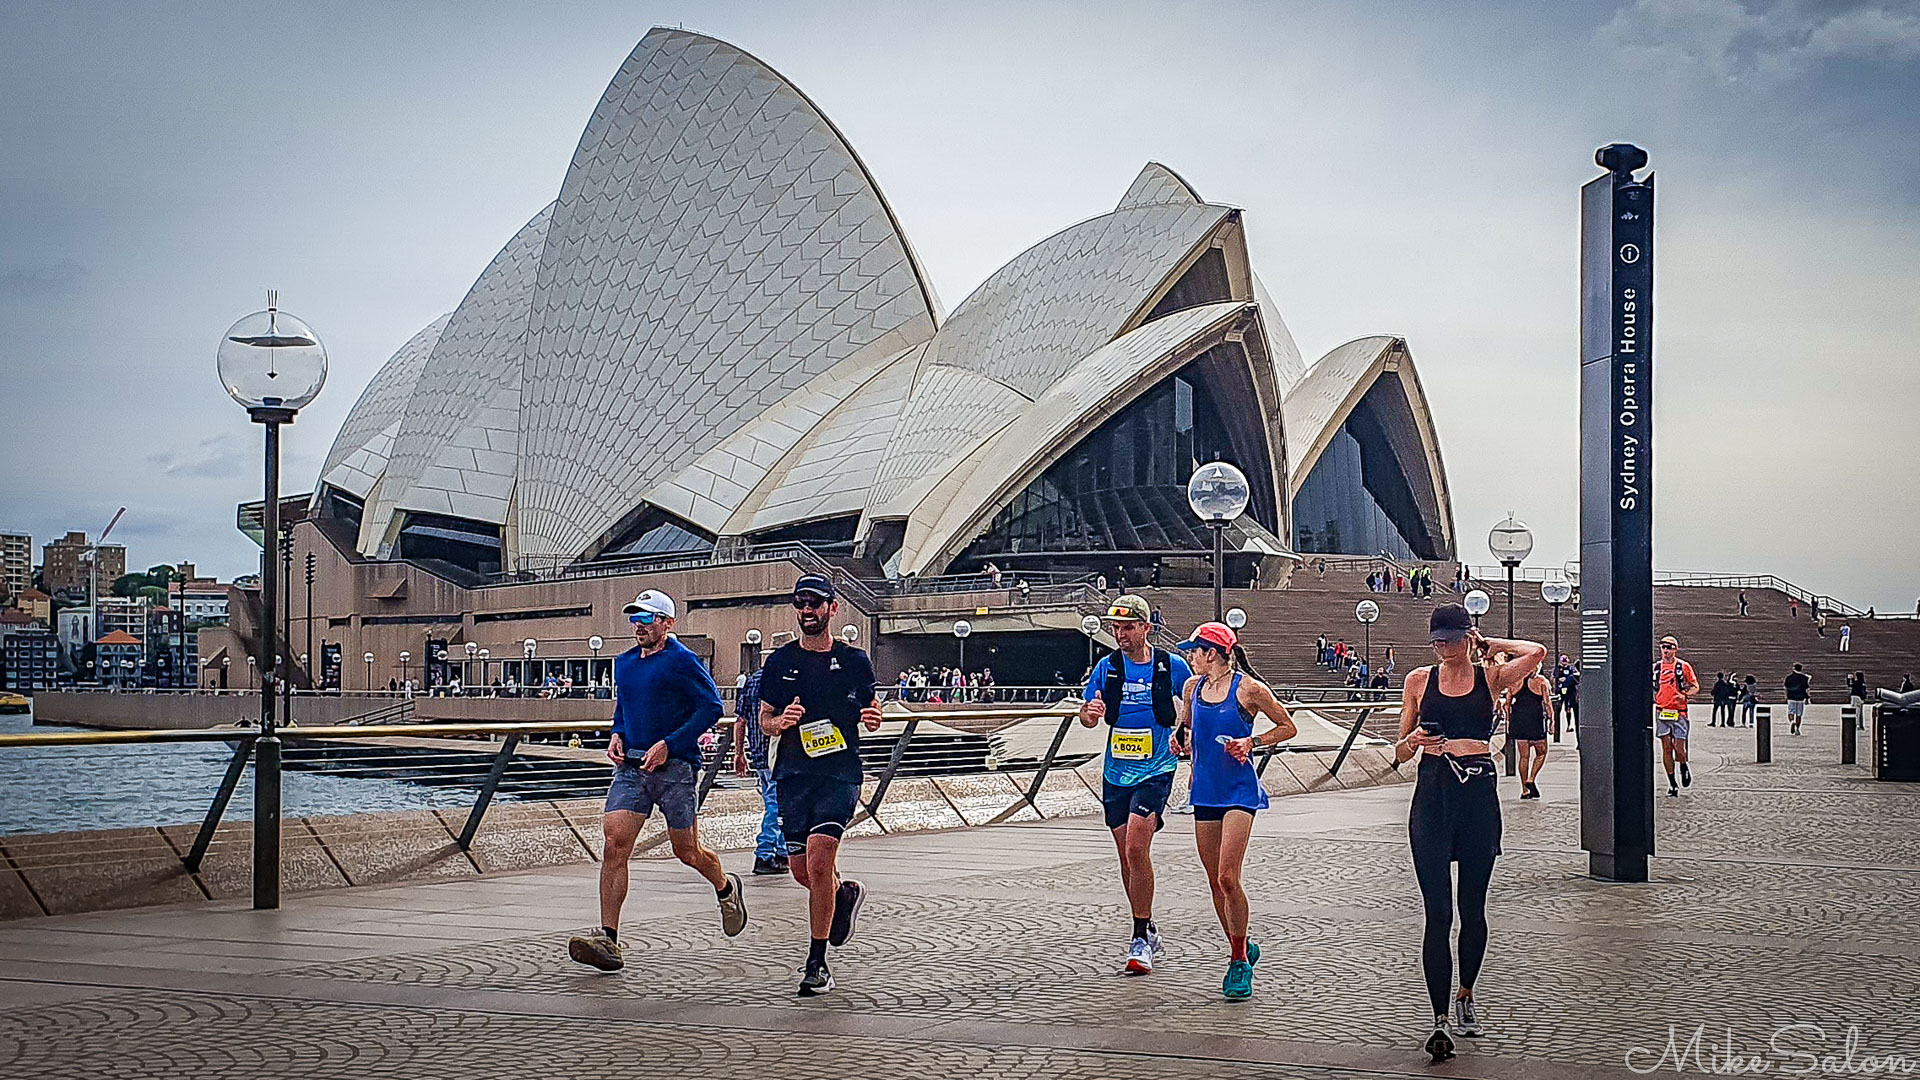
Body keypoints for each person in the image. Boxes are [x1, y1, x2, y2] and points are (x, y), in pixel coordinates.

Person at [1392, 604, 1545, 1061]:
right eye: (1436, 638)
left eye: (1450, 637)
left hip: (1477, 796)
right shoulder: (1418, 681)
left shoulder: (1490, 677)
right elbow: (1398, 753)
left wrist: (1490, 645)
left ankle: (1466, 993)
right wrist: (1415, 742)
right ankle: (1438, 1019)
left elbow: (1536, 651)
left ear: (1466, 636)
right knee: (1438, 914)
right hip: (1433, 795)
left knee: (1472, 908)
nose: (1442, 645)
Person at [569, 590, 747, 972]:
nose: (640, 626)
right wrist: (617, 732)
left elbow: (712, 708)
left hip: (675, 768)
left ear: (668, 623)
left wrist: (670, 744)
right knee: (615, 843)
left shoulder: (683, 661)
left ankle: (725, 887)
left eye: (648, 619)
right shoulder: (625, 663)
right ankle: (608, 940)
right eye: (636, 618)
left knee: (686, 851)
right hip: (631, 766)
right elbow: (625, 706)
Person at [758, 574, 883, 996]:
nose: (807, 611)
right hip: (793, 774)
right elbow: (764, 718)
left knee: (817, 859)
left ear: (833, 608)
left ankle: (817, 963)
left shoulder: (854, 660)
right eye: (801, 604)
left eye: (815, 604)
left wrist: (872, 717)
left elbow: (871, 703)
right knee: (802, 871)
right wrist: (780, 723)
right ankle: (842, 895)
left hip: (839, 773)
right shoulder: (780, 662)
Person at [1174, 621, 1296, 1000]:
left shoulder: (1248, 689)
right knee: (1214, 881)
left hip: (1240, 791)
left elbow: (1287, 727)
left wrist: (1252, 741)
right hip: (1205, 791)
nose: (1190, 656)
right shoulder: (1192, 688)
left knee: (1228, 877)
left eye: (1194, 650)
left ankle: (1238, 961)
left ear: (1212, 653)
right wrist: (1182, 742)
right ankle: (1241, 943)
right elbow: (1187, 730)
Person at [1079, 594, 1193, 976]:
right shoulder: (1106, 667)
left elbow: (1192, 693)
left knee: (1136, 846)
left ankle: (1139, 937)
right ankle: (1148, 922)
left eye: (1128, 627)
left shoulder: (1168, 665)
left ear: (1146, 627)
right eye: (1116, 627)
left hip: (1157, 767)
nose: (1120, 634)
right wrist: (1090, 714)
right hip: (1116, 772)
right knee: (1127, 857)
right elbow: (1088, 714)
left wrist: (1185, 728)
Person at [731, 664, 788, 877]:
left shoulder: (752, 680)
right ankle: (766, 853)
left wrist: (739, 753)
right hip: (780, 751)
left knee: (774, 801)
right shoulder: (785, 676)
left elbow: (740, 720)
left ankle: (781, 851)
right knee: (779, 804)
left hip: (758, 753)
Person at [1654, 635, 1699, 796]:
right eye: (1664, 647)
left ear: (1676, 649)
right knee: (1666, 748)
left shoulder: (1683, 666)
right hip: (1662, 711)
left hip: (1679, 712)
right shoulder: (1656, 668)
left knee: (1679, 748)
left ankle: (1683, 764)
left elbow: (1695, 686)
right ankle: (1672, 783)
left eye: (1670, 647)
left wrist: (1685, 696)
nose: (1666, 650)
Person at [1507, 659, 1552, 798]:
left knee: (1523, 756)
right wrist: (1552, 721)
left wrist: (1509, 719)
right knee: (1541, 752)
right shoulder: (1541, 682)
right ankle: (1531, 779)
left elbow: (1506, 704)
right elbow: (1547, 703)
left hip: (1519, 720)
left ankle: (1524, 790)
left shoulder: (1515, 682)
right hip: (1535, 720)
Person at [1785, 664, 1812, 735]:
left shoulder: (1789, 677)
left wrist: (1786, 695)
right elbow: (1807, 689)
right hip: (1800, 697)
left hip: (1791, 696)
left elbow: (1786, 687)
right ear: (1801, 669)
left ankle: (1791, 721)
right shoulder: (1804, 678)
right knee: (1799, 714)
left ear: (1794, 668)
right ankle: (1797, 729)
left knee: (1791, 711)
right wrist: (1808, 698)